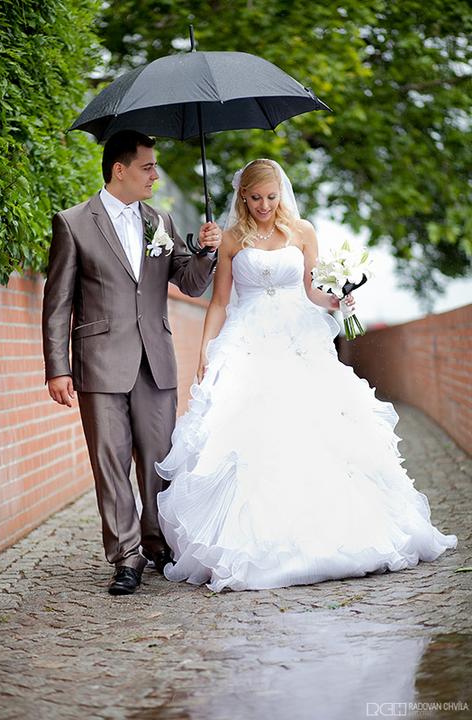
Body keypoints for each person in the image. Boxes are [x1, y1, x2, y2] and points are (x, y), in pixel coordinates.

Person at [155, 158, 457, 592]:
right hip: (248, 341)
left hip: (299, 336)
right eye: (255, 198)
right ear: (243, 196)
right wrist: (206, 348)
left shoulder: (302, 231)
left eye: (271, 197)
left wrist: (338, 301)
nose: (264, 205)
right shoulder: (232, 239)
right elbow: (219, 302)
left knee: (319, 425)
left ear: (281, 193)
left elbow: (313, 290)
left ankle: (342, 533)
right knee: (251, 431)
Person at [42, 130, 221, 595]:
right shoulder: (73, 223)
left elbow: (190, 283)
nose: (155, 175)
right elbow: (57, 302)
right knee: (111, 462)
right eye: (147, 167)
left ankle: (157, 543)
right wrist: (57, 367)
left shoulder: (159, 221)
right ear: (119, 170)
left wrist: (206, 252)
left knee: (159, 461)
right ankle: (126, 556)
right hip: (99, 363)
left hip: (155, 361)